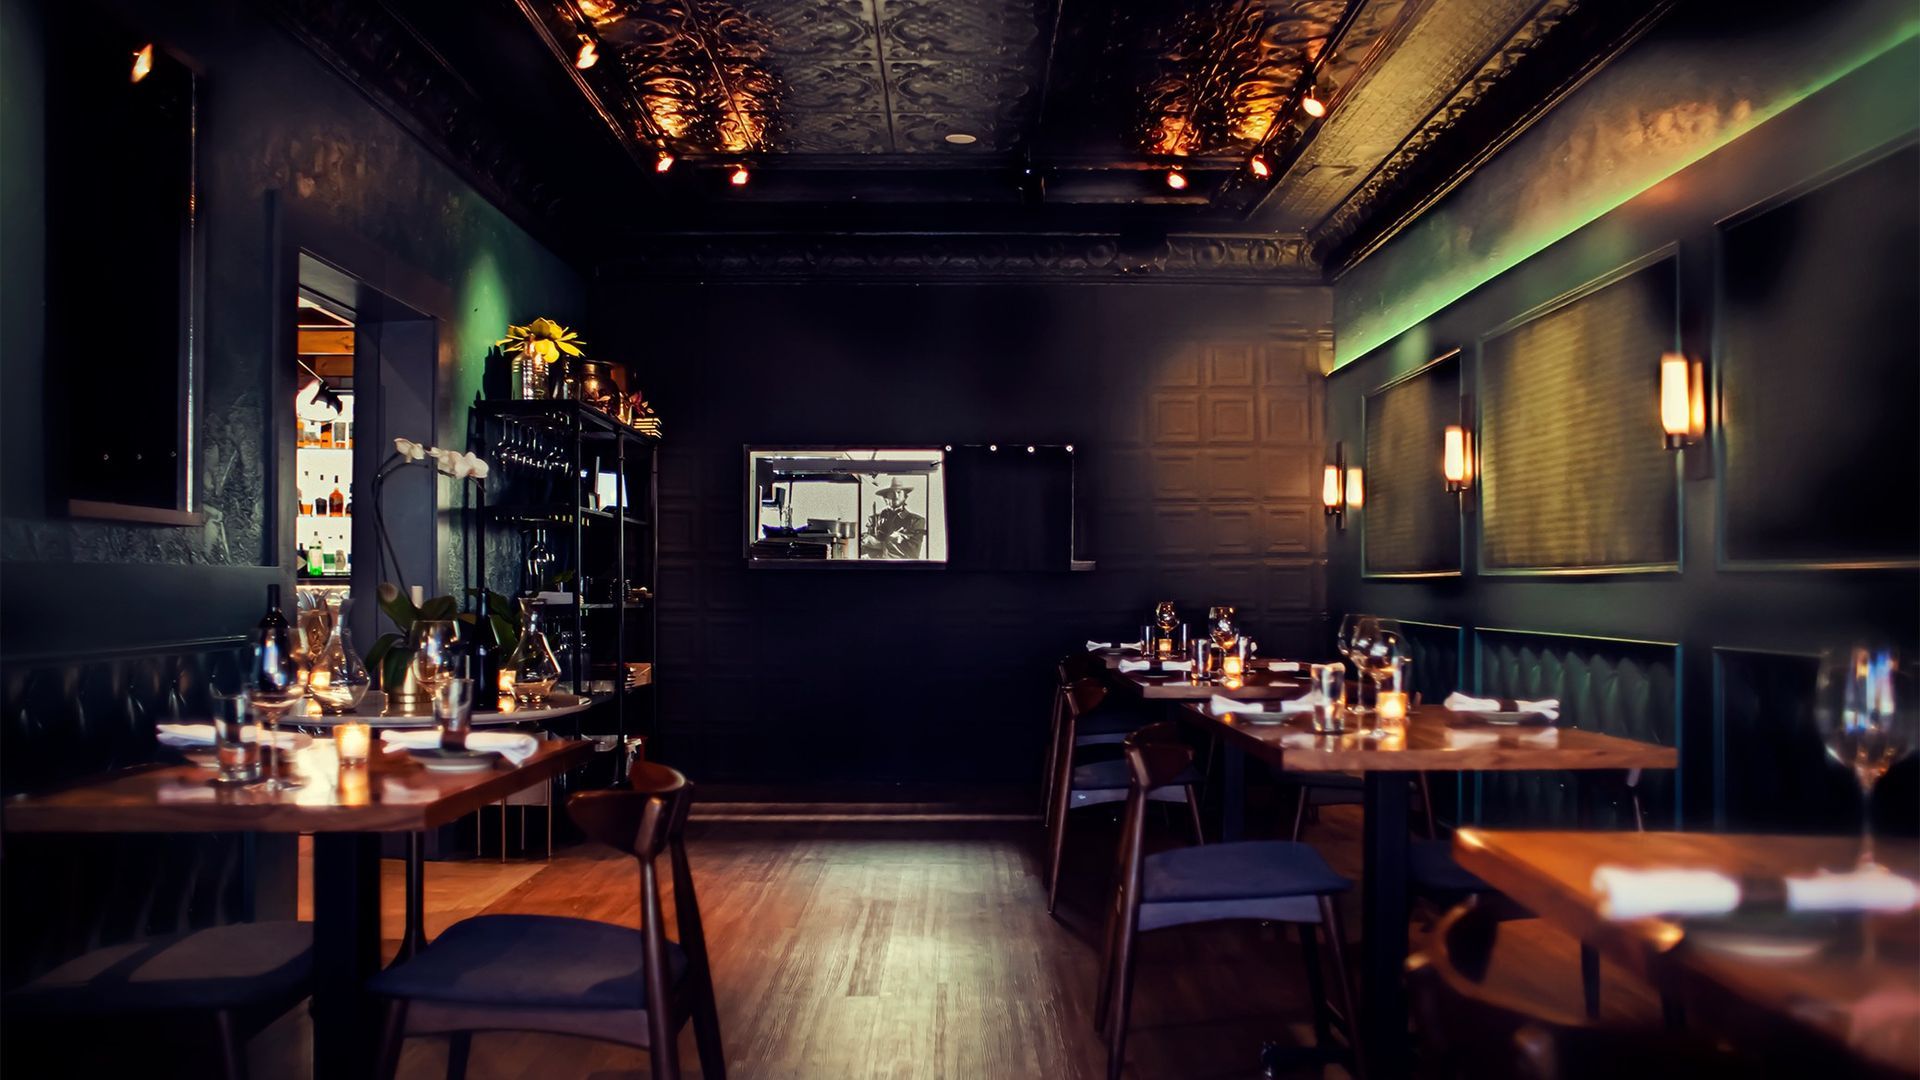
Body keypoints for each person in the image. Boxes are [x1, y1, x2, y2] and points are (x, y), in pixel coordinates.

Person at [862, 477, 927, 559]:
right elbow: (865, 547)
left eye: (899, 492)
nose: (896, 496)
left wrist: (878, 544)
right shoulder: (874, 519)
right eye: (892, 493)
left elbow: (912, 552)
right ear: (885, 498)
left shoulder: (916, 521)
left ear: (905, 497)